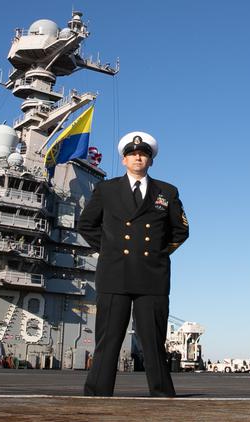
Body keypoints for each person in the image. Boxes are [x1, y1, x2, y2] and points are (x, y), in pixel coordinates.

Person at [78, 131, 189, 397]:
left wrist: (160, 253)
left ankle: (162, 393)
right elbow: (86, 224)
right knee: (108, 339)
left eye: (142, 154)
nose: (137, 157)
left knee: (153, 340)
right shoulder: (106, 189)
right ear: (124, 159)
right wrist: (108, 250)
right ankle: (97, 392)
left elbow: (180, 231)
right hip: (114, 273)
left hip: (152, 276)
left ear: (150, 160)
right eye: (132, 154)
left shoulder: (167, 192)